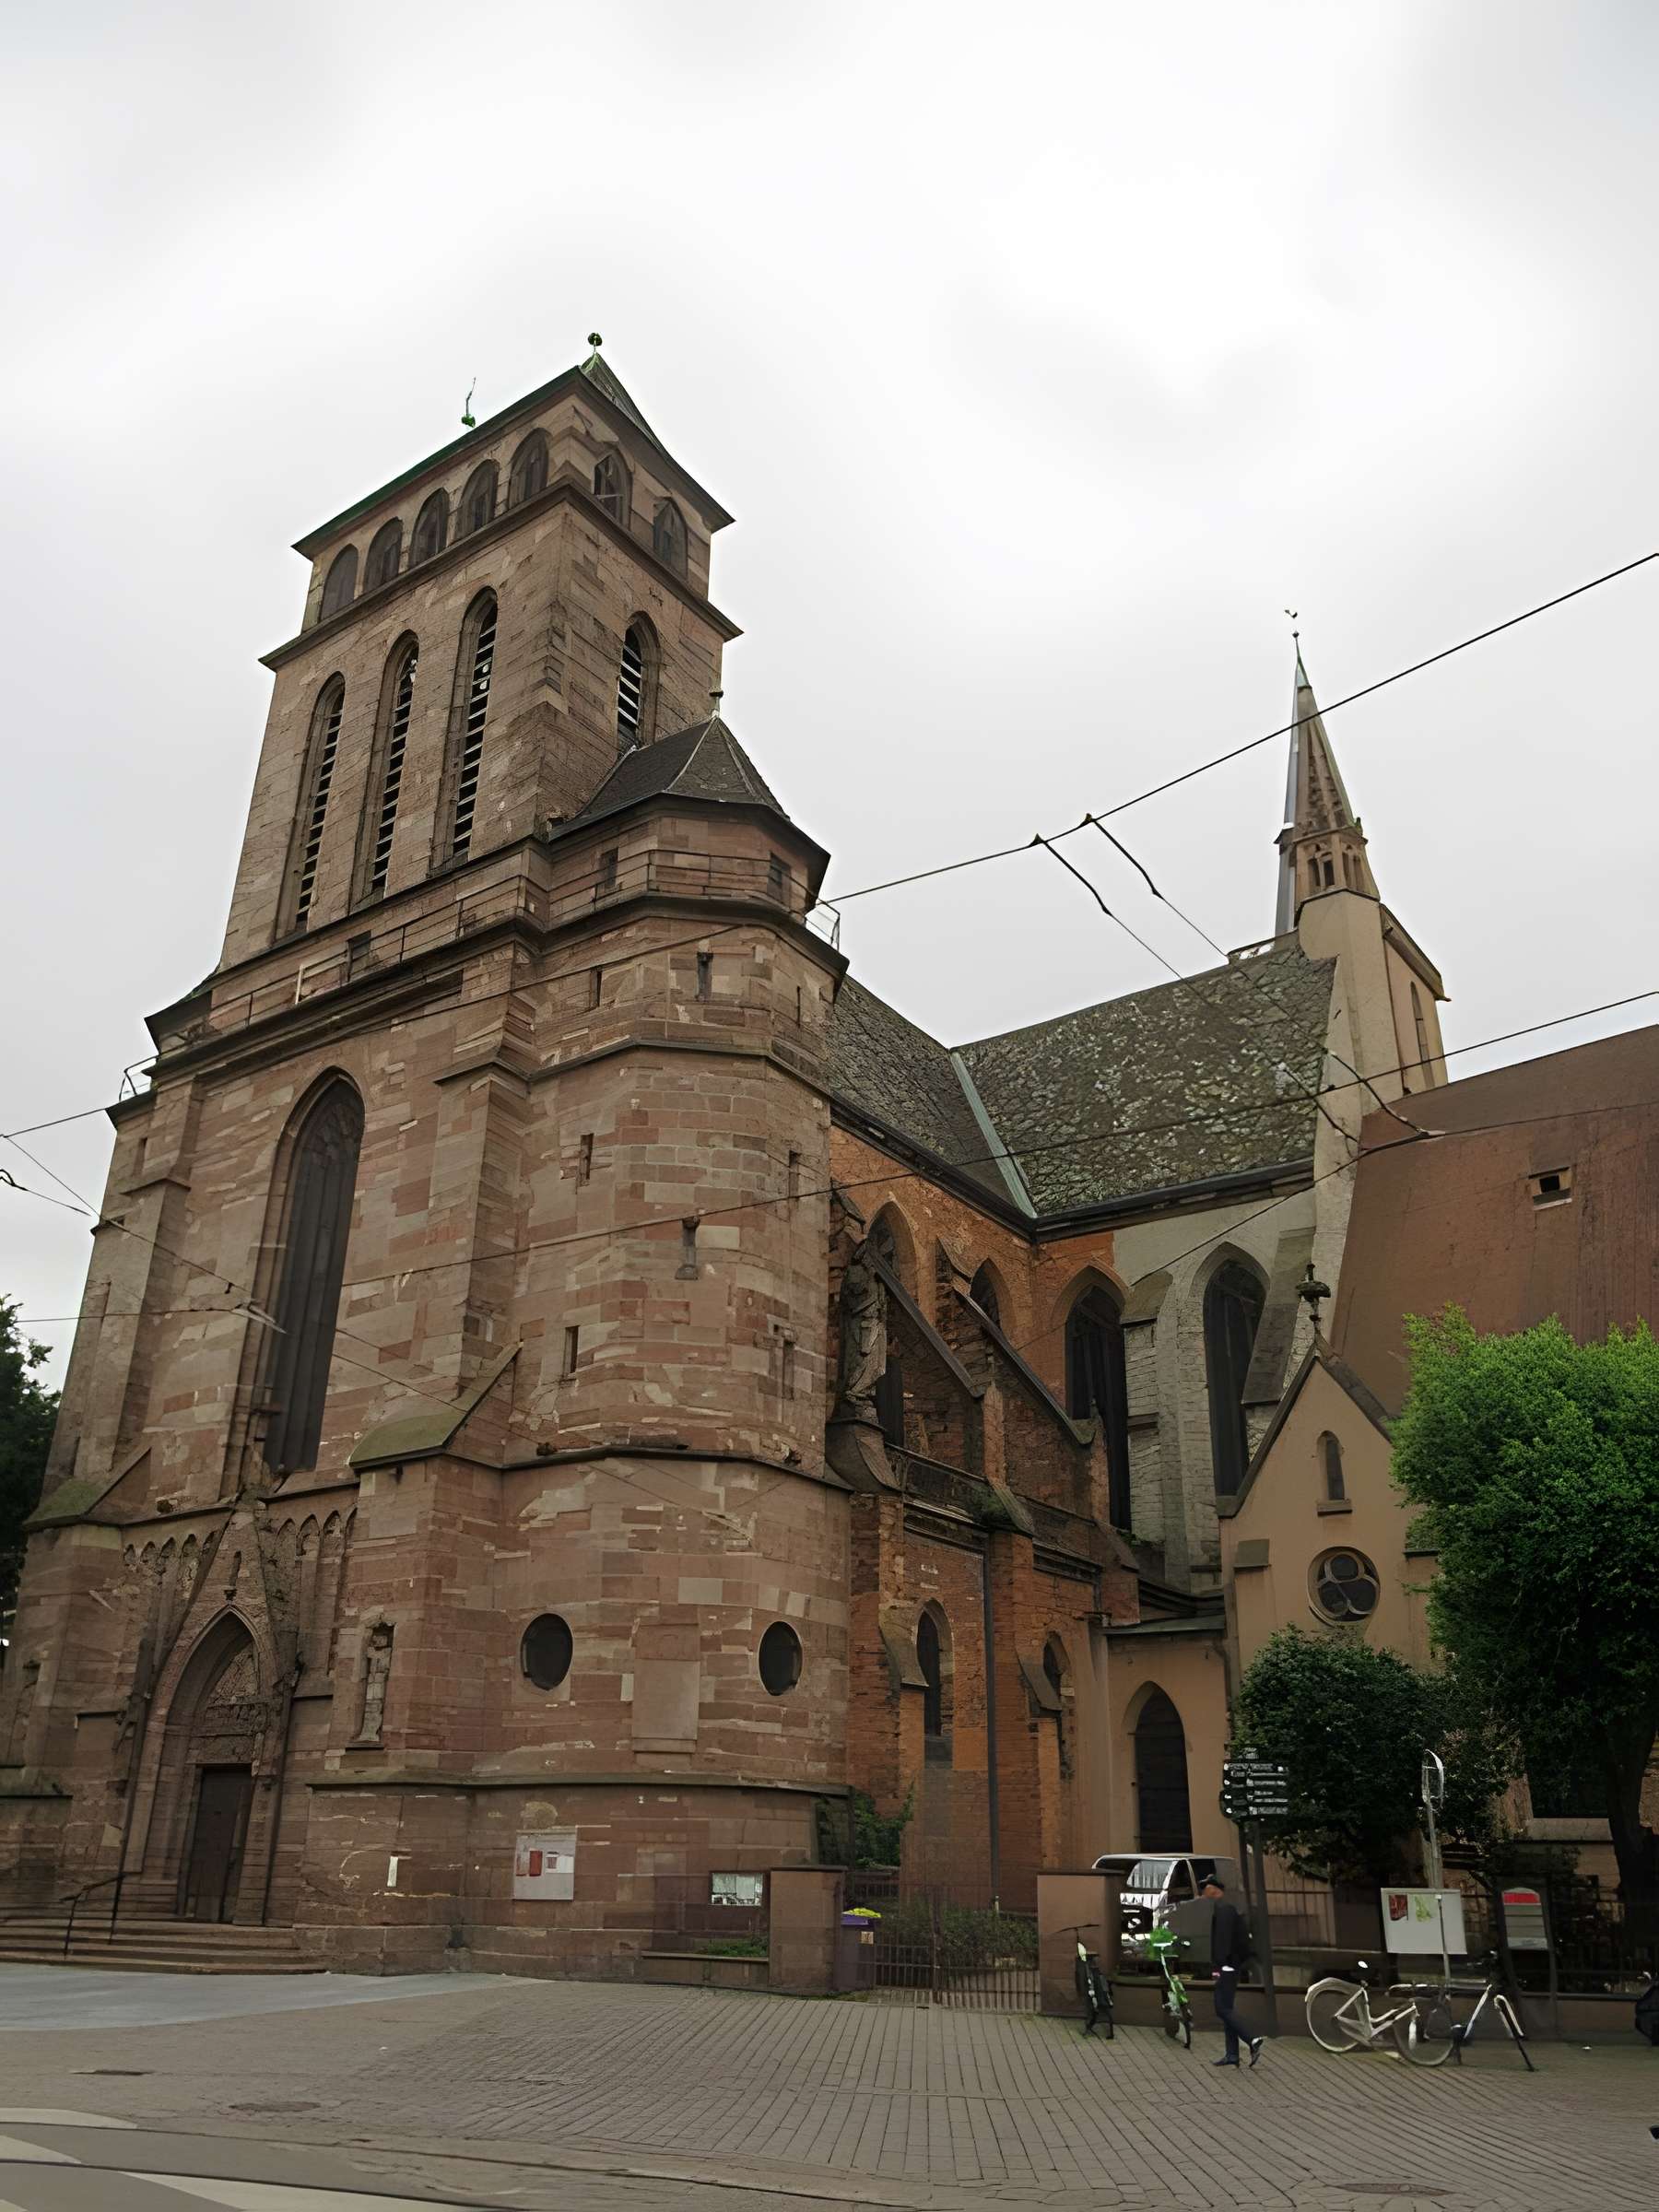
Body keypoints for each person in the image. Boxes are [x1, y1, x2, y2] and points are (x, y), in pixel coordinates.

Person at [1204, 1876, 1264, 2068]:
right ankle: (1232, 2055)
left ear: (1214, 1889)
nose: (1204, 1893)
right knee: (1227, 2008)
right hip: (1232, 1964)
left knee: (1221, 2008)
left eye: (1206, 1888)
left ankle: (1251, 2038)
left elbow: (1222, 1941)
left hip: (1227, 1965)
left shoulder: (1223, 1909)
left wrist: (1219, 1966)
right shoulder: (1227, 1908)